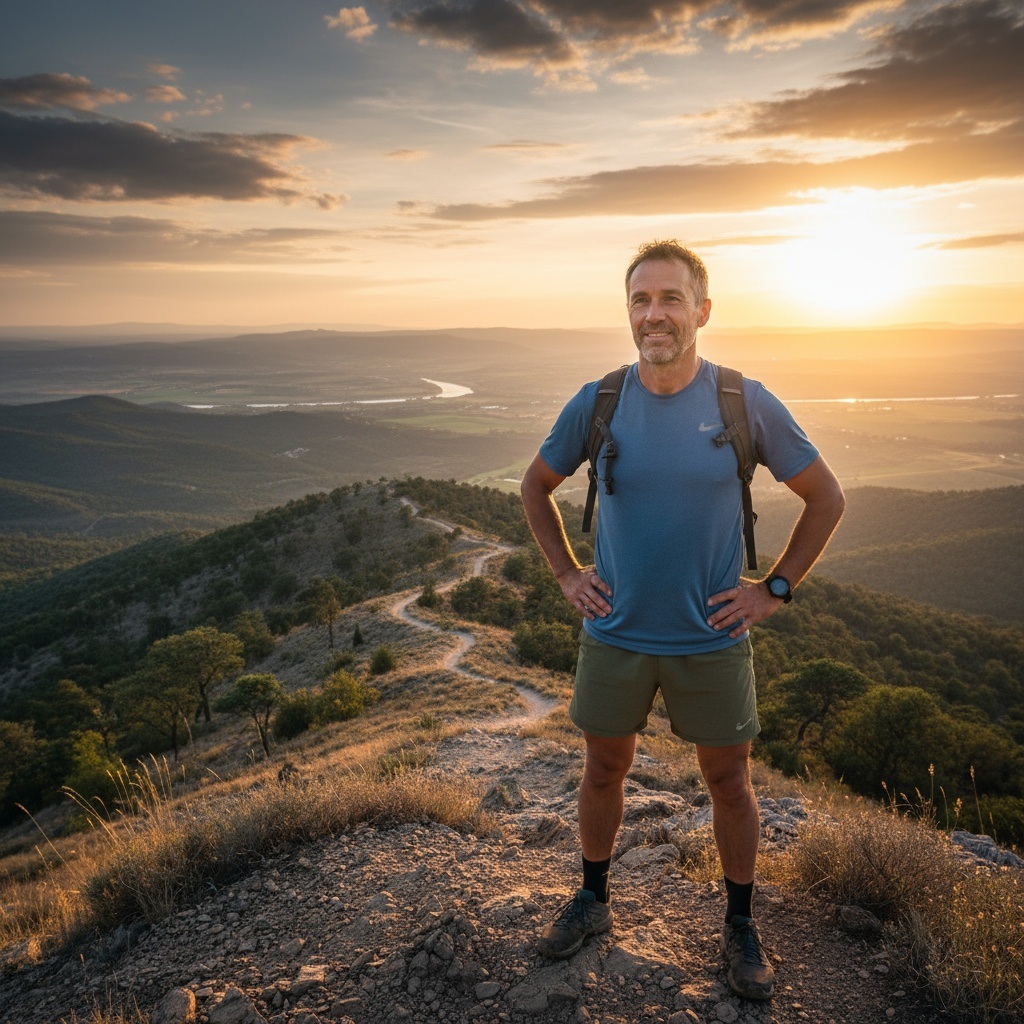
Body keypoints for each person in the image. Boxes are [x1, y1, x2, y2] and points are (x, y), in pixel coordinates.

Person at [519, 239, 845, 1001]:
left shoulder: (742, 402)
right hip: (615, 632)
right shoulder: (600, 400)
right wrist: (568, 574)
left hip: (713, 636)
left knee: (728, 782)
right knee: (604, 769)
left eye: (670, 299)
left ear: (702, 310)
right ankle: (595, 898)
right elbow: (534, 487)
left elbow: (827, 498)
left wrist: (777, 588)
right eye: (640, 300)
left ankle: (738, 925)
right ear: (627, 312)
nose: (654, 314)